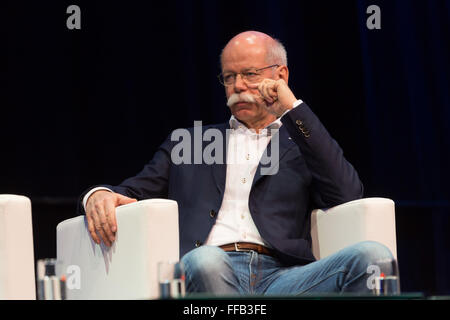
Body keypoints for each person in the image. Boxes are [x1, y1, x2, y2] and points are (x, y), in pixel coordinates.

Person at [79, 31, 395, 295]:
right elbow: (132, 190)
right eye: (229, 77)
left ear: (280, 75)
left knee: (373, 258)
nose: (238, 86)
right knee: (206, 261)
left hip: (283, 279)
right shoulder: (190, 142)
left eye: (250, 74)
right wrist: (99, 195)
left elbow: (347, 194)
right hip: (207, 269)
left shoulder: (300, 144)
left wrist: (291, 108)